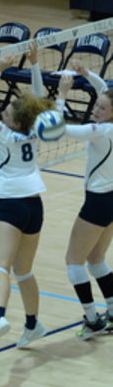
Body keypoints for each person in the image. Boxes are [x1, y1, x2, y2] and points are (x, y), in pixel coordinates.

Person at [0, 45, 56, 352]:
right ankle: (33, 324)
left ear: (13, 123)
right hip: (35, 206)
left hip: (11, 205)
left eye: (7, 113)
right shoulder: (35, 131)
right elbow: (37, 100)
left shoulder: (5, 135)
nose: (3, 113)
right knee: (24, 270)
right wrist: (34, 64)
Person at [58, 60, 113, 340]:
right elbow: (105, 90)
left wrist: (61, 95)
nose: (96, 110)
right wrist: (87, 74)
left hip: (98, 202)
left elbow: (58, 129)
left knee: (74, 261)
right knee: (96, 259)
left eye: (102, 108)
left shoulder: (99, 131)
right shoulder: (108, 125)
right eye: (96, 106)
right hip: (111, 201)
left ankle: (92, 320)